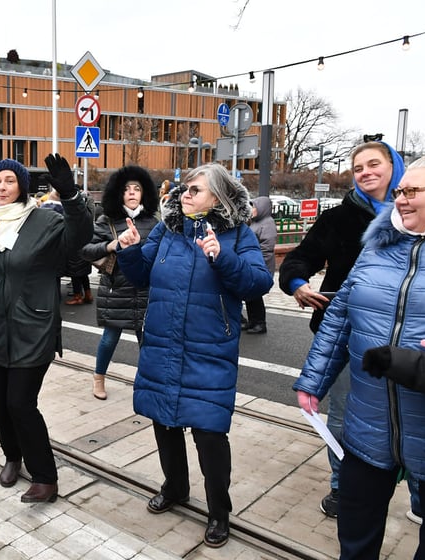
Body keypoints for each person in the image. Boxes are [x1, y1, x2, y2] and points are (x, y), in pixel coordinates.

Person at [116, 163, 273, 548]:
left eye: (195, 190)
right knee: (165, 424)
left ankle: (219, 511)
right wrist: (131, 250)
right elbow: (140, 276)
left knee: (209, 435)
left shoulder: (237, 236)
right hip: (163, 345)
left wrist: (223, 258)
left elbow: (258, 282)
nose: (185, 195)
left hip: (209, 352)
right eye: (185, 189)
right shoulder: (170, 231)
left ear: (217, 197)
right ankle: (175, 487)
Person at [294, 154, 425, 558]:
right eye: (400, 191)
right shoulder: (378, 246)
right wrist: (312, 382)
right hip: (369, 422)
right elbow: (338, 320)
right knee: (355, 534)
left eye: (412, 191)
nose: (401, 199)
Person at [0, 154, 93, 503]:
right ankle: (12, 455)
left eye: (10, 181)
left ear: (22, 186)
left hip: (33, 326)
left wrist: (70, 195)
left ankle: (45, 477)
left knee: (20, 403)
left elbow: (79, 237)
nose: (2, 187)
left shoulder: (44, 221)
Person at [279, 140, 406, 519]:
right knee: (343, 414)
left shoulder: (414, 212)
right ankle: (342, 486)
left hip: (406, 337)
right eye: (358, 167)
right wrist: (297, 283)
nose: (366, 172)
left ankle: (416, 488)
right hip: (348, 334)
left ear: (393, 166)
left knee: (410, 414)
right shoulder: (338, 218)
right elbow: (301, 256)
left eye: (374, 164)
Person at [79, 165, 158, 400]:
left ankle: (149, 383)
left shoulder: (153, 222)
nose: (132, 193)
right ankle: (99, 378)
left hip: (146, 289)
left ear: (144, 194)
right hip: (117, 288)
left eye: (137, 189)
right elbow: (86, 249)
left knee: (147, 340)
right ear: (119, 193)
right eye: (127, 189)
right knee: (110, 338)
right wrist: (112, 245)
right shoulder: (107, 220)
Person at [241, 196, 277, 334]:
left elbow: (267, 247)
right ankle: (253, 321)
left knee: (255, 295)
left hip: (261, 264)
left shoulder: (267, 223)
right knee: (250, 293)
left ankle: (260, 323)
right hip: (254, 263)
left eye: (254, 207)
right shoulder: (255, 222)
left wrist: (258, 262)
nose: (252, 210)